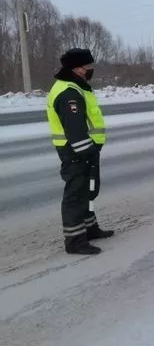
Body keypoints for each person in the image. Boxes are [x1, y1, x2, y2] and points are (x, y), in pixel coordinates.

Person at [46, 48, 114, 255]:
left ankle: (90, 229)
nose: (89, 70)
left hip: (83, 150)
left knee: (88, 190)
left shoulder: (76, 87)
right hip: (76, 151)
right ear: (76, 68)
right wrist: (88, 151)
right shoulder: (69, 93)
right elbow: (75, 130)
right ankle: (75, 241)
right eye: (87, 66)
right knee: (76, 195)